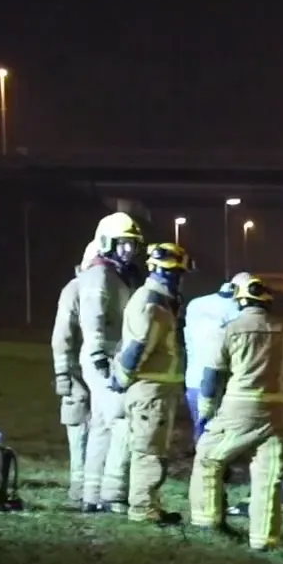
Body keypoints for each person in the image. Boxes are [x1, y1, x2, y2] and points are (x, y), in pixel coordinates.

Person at [189, 274, 283, 551]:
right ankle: (264, 539)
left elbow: (211, 377)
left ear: (240, 300)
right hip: (275, 413)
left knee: (208, 458)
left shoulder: (230, 330)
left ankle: (206, 521)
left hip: (239, 409)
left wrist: (205, 412)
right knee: (268, 474)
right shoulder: (282, 330)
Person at [111, 242, 190, 526]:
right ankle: (143, 509)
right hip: (150, 391)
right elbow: (138, 347)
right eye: (171, 272)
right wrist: (122, 378)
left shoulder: (158, 300)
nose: (176, 277)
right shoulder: (153, 302)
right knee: (149, 452)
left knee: (150, 449)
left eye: (177, 272)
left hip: (155, 389)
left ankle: (147, 505)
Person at [77, 212, 146, 512]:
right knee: (122, 420)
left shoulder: (117, 274)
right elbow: (92, 319)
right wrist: (99, 358)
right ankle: (113, 494)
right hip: (104, 356)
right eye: (123, 244)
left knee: (103, 424)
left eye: (132, 244)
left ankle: (92, 495)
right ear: (106, 242)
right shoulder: (100, 275)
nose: (129, 250)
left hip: (109, 355)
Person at [49, 242, 98, 507]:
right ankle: (79, 488)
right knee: (79, 426)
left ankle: (91, 487)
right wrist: (63, 374)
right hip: (78, 372)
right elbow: (62, 335)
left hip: (97, 370)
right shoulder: (75, 289)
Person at [182, 279, 238, 444]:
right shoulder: (239, 309)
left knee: (203, 433)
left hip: (193, 379)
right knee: (222, 437)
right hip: (223, 382)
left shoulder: (195, 305)